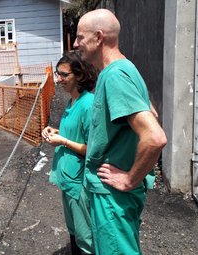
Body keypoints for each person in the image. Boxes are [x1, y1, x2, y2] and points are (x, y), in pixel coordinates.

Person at [73, 9, 167, 255]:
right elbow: (152, 113)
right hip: (114, 194)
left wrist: (129, 179)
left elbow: (155, 137)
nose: (75, 43)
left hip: (112, 195)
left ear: (99, 37)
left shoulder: (115, 76)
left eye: (80, 37)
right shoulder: (126, 68)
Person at [42, 52, 97, 255]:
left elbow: (92, 149)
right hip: (68, 180)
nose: (59, 80)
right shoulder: (72, 102)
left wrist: (63, 141)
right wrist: (56, 132)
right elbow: (75, 134)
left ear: (79, 75)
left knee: (86, 238)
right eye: (58, 74)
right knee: (74, 232)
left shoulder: (88, 104)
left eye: (64, 75)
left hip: (80, 184)